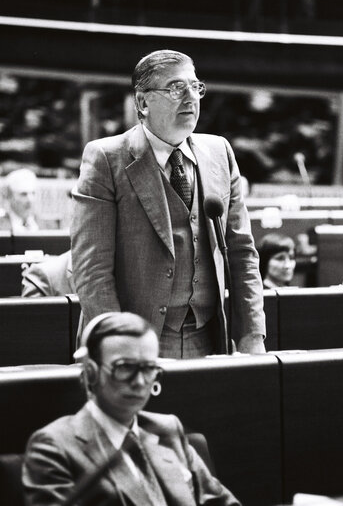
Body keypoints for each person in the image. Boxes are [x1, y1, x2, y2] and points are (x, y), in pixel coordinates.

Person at [71, 49, 266, 358]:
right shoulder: (106, 158)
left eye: (195, 86)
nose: (190, 97)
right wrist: (118, 343)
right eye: (176, 88)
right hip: (135, 339)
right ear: (142, 102)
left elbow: (242, 252)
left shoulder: (220, 153)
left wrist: (252, 334)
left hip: (209, 337)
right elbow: (91, 268)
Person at [22, 311, 241, 506]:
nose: (139, 382)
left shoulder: (167, 430)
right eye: (125, 367)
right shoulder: (54, 446)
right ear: (90, 372)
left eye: (148, 369)